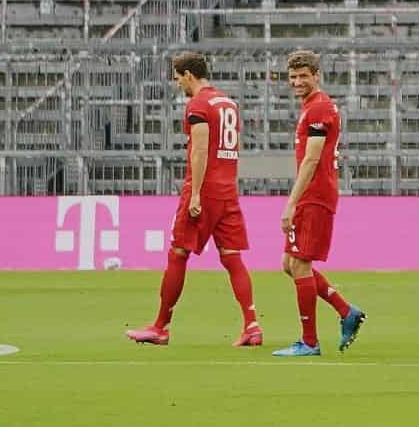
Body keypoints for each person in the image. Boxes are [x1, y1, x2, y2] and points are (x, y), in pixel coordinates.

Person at [126, 53, 261, 347]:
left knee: (178, 253)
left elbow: (200, 150)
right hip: (227, 190)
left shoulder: (198, 104)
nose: (178, 85)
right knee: (231, 257)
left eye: (178, 78)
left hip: (204, 189)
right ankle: (252, 325)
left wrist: (196, 193)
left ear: (188, 75)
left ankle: (161, 326)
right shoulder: (228, 103)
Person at [271, 50, 363, 358]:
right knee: (289, 264)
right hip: (312, 194)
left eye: (303, 76)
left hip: (315, 195)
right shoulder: (311, 107)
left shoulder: (319, 108)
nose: (297, 82)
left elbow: (312, 159)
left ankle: (309, 341)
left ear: (316, 75)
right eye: (293, 77)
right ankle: (345, 310)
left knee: (300, 264)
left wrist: (291, 203)